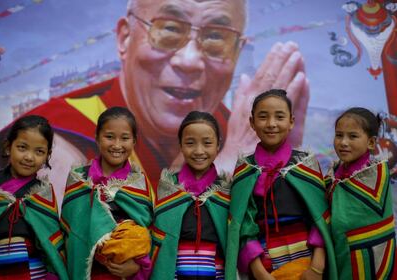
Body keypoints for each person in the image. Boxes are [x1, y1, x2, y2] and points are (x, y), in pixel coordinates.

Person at [0, 0, 310, 203]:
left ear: (238, 53)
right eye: (169, 29)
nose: (190, 60)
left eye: (215, 37)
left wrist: (279, 167)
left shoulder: (235, 128)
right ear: (125, 38)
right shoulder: (58, 138)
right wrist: (228, 167)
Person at [225, 89, 336, 280]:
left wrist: (317, 267)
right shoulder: (245, 170)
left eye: (279, 116)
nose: (271, 124)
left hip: (309, 267)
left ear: (291, 121)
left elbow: (321, 218)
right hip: (265, 269)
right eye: (263, 117)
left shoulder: (305, 164)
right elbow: (242, 227)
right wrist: (259, 273)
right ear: (252, 122)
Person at [61, 107, 152, 280]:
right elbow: (70, 232)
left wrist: (136, 267)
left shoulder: (139, 182)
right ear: (96, 138)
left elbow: (147, 232)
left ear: (134, 141)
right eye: (109, 137)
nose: (117, 145)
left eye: (125, 138)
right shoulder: (79, 179)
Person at [0, 115, 68, 280]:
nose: (29, 157)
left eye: (39, 151)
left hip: (36, 275)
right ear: (8, 147)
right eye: (22, 147)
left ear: (47, 156)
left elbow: (51, 244)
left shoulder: (43, 194)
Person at [151, 111, 230, 279]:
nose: (199, 151)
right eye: (190, 143)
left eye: (207, 143)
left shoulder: (227, 192)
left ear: (218, 145)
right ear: (180, 145)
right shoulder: (167, 189)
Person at [326, 107, 395, 279]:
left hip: (373, 260)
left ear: (371, 143)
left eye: (353, 136)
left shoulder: (376, 176)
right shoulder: (333, 174)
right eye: (339, 135)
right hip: (341, 256)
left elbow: (347, 220)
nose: (343, 142)